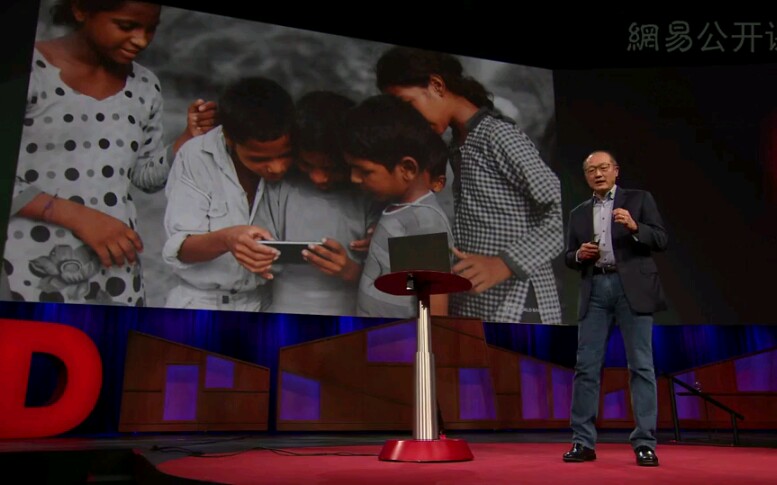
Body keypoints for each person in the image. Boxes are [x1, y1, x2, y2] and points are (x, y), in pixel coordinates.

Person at [3, 0, 216, 305]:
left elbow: (145, 177)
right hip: (24, 265)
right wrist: (79, 217)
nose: (141, 40)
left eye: (151, 28)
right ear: (81, 10)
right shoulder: (30, 68)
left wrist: (186, 140)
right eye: (126, 26)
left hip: (111, 273)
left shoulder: (144, 86)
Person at [375, 45, 563, 324]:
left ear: (437, 85)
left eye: (408, 105)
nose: (409, 121)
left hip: (520, 305)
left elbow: (567, 212)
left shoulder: (498, 136)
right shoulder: (457, 144)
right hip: (479, 305)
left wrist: (505, 263)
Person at [562, 150, 668, 467]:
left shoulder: (639, 199)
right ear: (586, 176)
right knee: (586, 368)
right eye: (591, 170)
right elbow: (568, 256)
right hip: (595, 288)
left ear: (615, 171)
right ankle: (583, 442)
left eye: (603, 168)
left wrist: (636, 228)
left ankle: (645, 443)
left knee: (641, 367)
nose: (598, 173)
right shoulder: (579, 213)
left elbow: (661, 238)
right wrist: (579, 254)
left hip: (631, 288)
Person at [161, 76, 294, 311]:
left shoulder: (304, 163)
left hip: (269, 302)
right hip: (202, 304)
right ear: (230, 140)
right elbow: (180, 249)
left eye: (285, 155)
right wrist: (227, 239)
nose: (277, 168)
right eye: (259, 159)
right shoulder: (196, 156)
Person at [260, 90, 378, 316]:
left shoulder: (369, 195)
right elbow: (261, 253)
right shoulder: (279, 189)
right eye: (306, 164)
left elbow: (399, 284)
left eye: (331, 169)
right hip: (283, 312)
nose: (318, 178)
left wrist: (352, 272)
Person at [341, 94, 453, 319]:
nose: (353, 178)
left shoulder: (421, 220)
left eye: (364, 171)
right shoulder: (400, 209)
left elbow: (432, 301)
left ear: (407, 169)